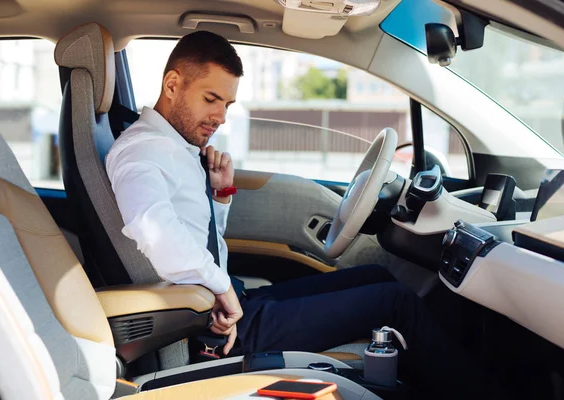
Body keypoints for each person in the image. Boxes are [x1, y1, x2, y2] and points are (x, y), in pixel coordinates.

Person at [106, 31, 503, 399]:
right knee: (395, 302)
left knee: (378, 277)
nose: (221, 116)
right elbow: (154, 231)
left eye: (227, 104)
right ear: (172, 84)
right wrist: (221, 287)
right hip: (211, 327)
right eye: (211, 99)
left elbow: (195, 238)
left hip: (228, 301)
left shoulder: (172, 147)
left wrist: (222, 193)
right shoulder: (141, 152)